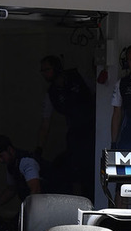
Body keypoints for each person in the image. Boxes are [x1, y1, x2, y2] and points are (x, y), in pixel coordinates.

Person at [38, 55, 95, 200]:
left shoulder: (78, 75)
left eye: (47, 69)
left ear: (56, 67)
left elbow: (99, 92)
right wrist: (39, 148)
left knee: (91, 170)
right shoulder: (51, 93)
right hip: (75, 134)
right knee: (74, 170)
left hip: (94, 130)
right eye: (42, 70)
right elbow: (46, 122)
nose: (44, 73)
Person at [0, 135, 48, 207]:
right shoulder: (11, 165)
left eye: (1, 156)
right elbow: (11, 189)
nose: (0, 160)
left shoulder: (26, 162)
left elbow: (35, 190)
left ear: (10, 150)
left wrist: (27, 211)